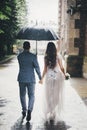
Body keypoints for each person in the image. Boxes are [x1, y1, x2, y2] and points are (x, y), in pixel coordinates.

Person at [39, 42, 65, 123]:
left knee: (49, 94)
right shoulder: (58, 56)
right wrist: (65, 75)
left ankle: (50, 111)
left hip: (49, 77)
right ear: (54, 48)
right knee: (56, 94)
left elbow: (45, 69)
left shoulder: (46, 57)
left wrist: (41, 78)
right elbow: (62, 68)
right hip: (57, 76)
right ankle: (53, 111)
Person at [17, 41, 41, 122]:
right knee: (31, 95)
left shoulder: (19, 56)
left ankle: (24, 110)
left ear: (23, 47)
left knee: (22, 95)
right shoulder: (33, 56)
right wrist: (40, 77)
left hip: (22, 78)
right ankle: (30, 110)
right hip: (31, 79)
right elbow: (37, 67)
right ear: (29, 47)